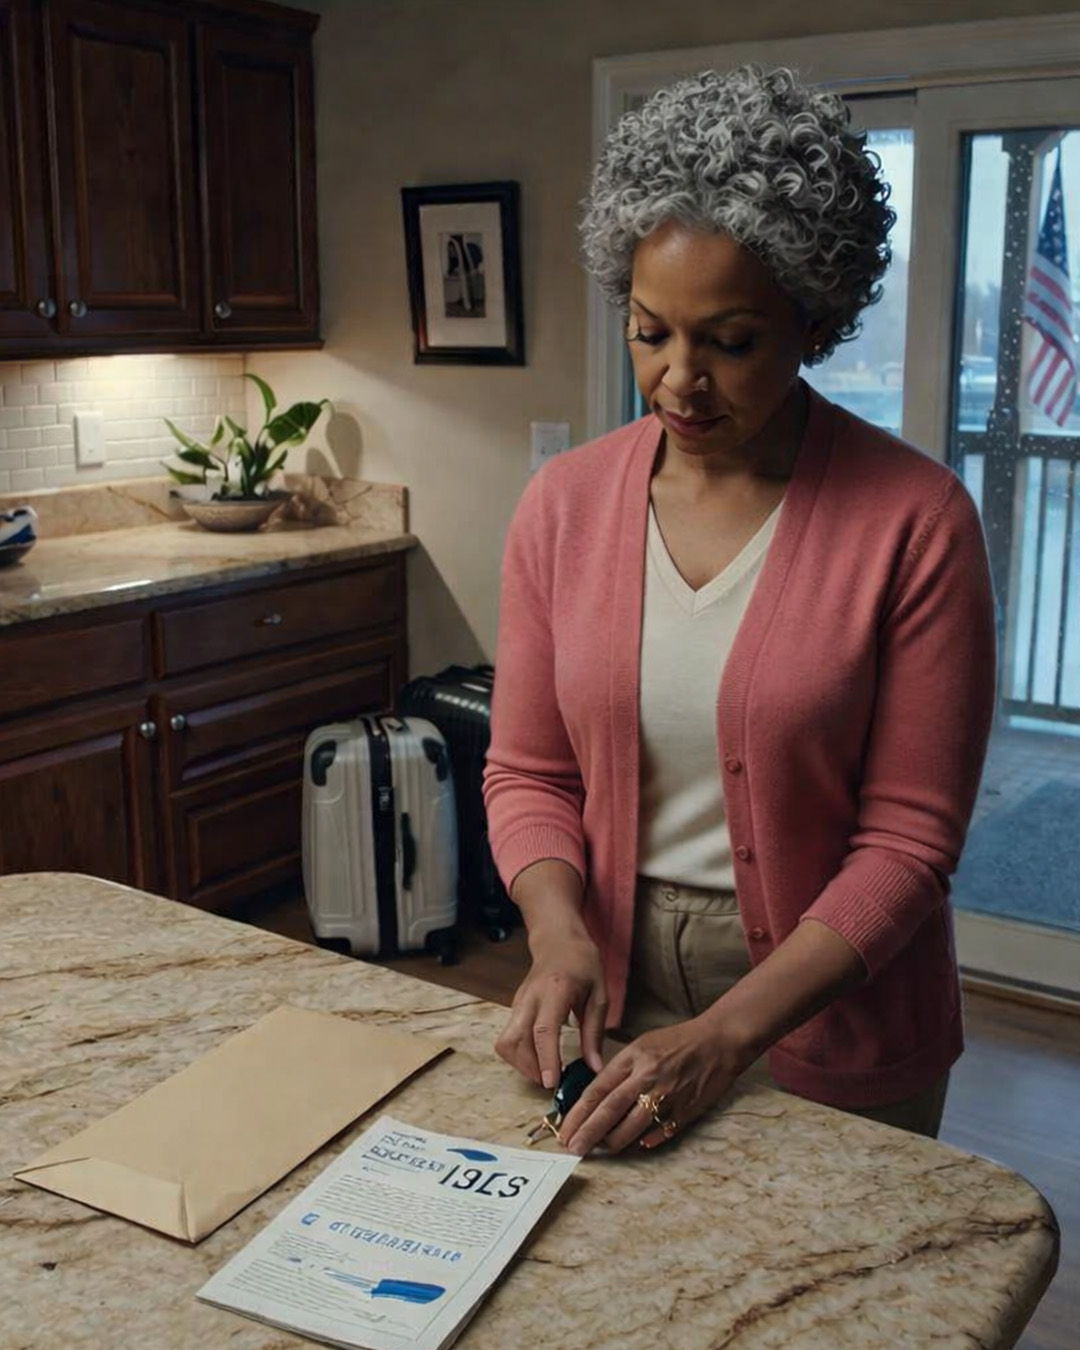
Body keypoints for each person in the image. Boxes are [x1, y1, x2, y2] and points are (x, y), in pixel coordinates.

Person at [482, 65, 996, 1156]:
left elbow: (909, 842)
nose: (679, 379)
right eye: (650, 331)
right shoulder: (563, 508)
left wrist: (722, 1036)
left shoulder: (916, 523)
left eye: (730, 341)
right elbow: (528, 772)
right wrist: (557, 932)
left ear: (813, 321)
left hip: (838, 999)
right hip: (612, 981)